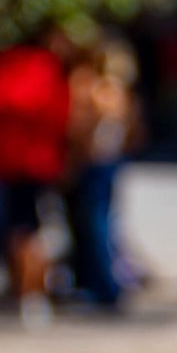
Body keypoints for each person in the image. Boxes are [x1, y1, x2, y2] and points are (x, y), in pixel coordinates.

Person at [0, 30, 73, 328]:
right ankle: (32, 293)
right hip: (38, 165)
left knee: (19, 229)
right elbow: (61, 117)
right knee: (34, 232)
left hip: (5, 163)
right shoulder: (46, 68)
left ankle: (26, 291)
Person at [65, 36, 142, 310]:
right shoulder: (122, 92)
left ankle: (105, 287)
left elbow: (84, 129)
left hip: (96, 163)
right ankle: (102, 284)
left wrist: (77, 155)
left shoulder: (100, 90)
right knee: (105, 224)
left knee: (96, 226)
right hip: (111, 161)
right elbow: (135, 129)